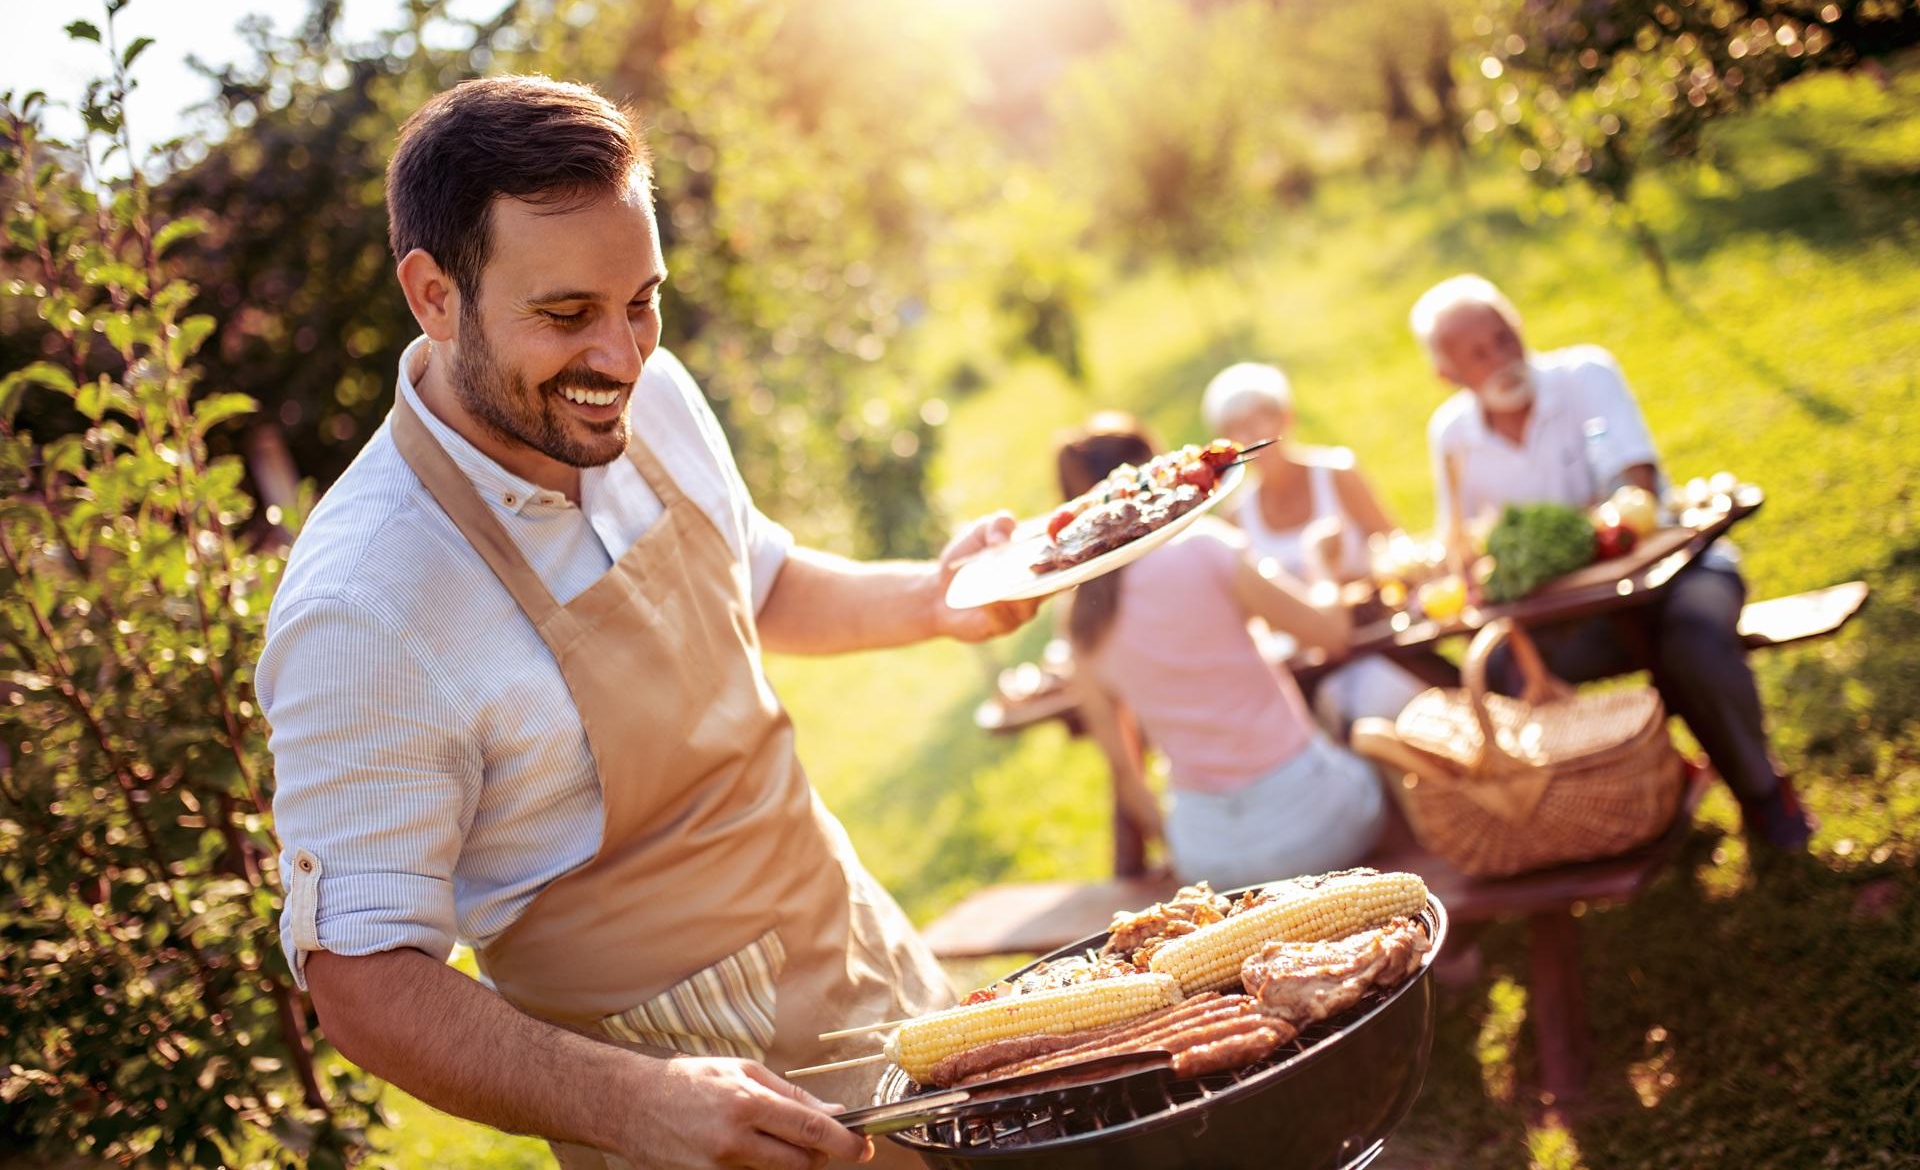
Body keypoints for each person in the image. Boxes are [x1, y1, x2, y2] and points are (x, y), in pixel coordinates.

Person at [260, 76, 1038, 1170]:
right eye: (568, 313)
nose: (622, 358)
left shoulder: (651, 394)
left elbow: (755, 579)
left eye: (643, 300)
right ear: (434, 295)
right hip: (691, 1119)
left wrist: (930, 597)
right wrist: (629, 1104)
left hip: (868, 961)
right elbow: (360, 978)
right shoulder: (367, 604)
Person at [1409, 273, 1812, 849]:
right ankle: (1645, 794)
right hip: (1575, 613)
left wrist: (1555, 545)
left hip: (1680, 573)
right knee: (1507, 678)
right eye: (1477, 354)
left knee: (1691, 641)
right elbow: (1463, 542)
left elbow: (1636, 490)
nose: (1500, 357)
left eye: (1503, 337)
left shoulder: (1584, 374)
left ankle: (1763, 794)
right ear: (1447, 374)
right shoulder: (1450, 434)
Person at [1056, 416, 1388, 889]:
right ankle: (1452, 948)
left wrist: (1181, 849)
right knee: (1382, 752)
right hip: (1315, 828)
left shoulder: (1078, 617)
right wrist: (1322, 562)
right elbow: (1331, 635)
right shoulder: (1202, 545)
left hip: (1211, 862)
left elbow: (1128, 779)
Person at [1200, 361, 1428, 734]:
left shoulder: (1336, 472)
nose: (1252, 433)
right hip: (1300, 665)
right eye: (1236, 427)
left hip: (1375, 639)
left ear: (1286, 417)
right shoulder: (1235, 515)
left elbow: (1398, 551)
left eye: (1262, 417)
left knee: (1372, 700)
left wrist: (1356, 580)